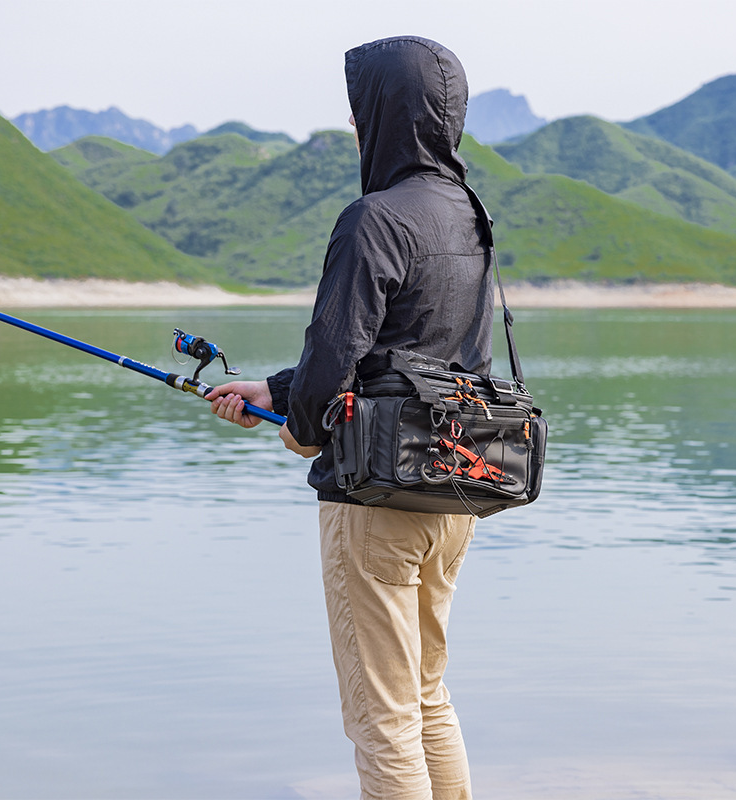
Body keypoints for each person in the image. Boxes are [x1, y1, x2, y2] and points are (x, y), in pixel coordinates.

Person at [207, 36, 494, 800]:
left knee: (382, 717)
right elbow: (417, 348)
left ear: (382, 116)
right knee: (429, 697)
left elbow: (336, 357)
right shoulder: (468, 214)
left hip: (376, 505)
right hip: (456, 490)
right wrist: (275, 387)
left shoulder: (372, 219)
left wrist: (301, 429)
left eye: (359, 110)